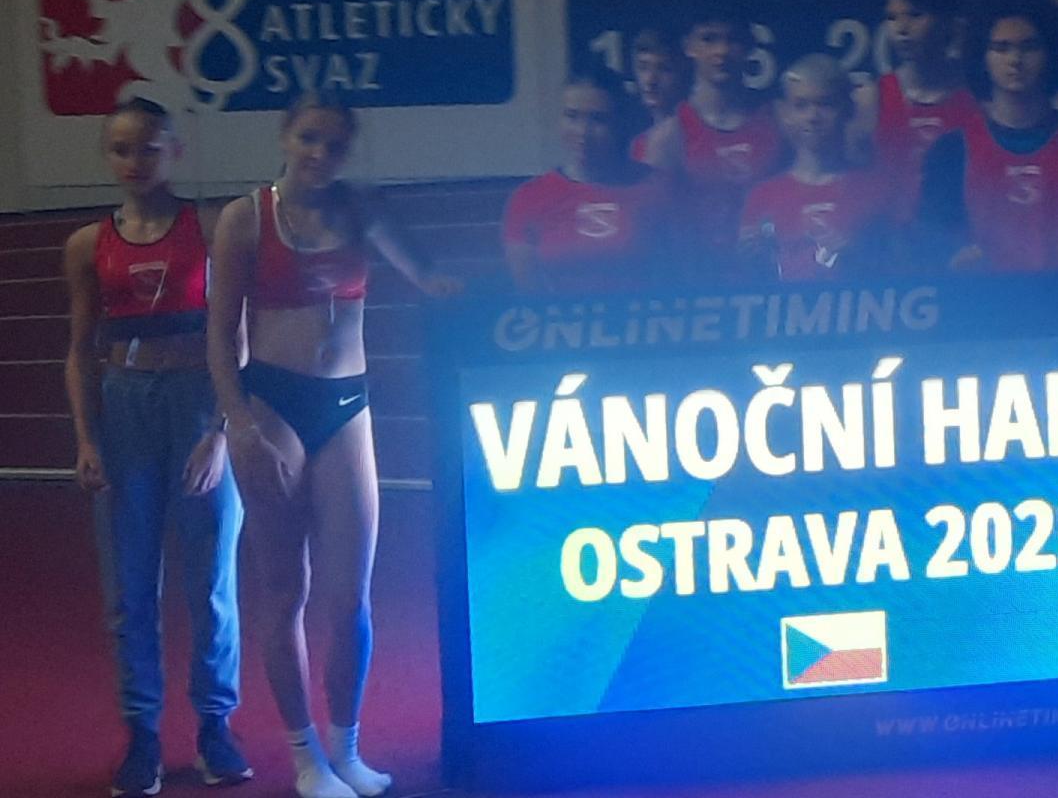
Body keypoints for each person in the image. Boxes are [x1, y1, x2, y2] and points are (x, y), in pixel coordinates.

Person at [208, 92, 461, 798]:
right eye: (309, 139)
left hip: (348, 407)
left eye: (336, 144)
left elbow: (424, 274)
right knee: (285, 589)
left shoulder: (362, 208)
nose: (321, 154)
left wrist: (457, 291)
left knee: (351, 598)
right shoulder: (245, 219)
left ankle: (347, 749)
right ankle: (305, 756)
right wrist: (238, 422)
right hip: (273, 406)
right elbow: (221, 332)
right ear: (285, 137)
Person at [64, 97, 251, 796]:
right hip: (124, 411)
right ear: (107, 156)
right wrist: (87, 438)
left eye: (148, 146)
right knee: (130, 586)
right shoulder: (87, 245)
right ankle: (142, 734)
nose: (134, 160)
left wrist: (221, 431)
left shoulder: (211, 228)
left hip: (199, 403)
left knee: (211, 580)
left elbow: (237, 337)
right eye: (121, 148)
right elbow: (80, 350)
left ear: (175, 150)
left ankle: (215, 725)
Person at [916, 0, 1058, 272]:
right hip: (981, 298)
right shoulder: (950, 151)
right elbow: (930, 242)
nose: (1015, 60)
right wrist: (953, 260)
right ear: (982, 58)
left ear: (1052, 54)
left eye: (1028, 47)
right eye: (1001, 48)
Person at [641, 11, 787, 278]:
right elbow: (657, 230)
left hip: (772, 282)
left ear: (749, 45)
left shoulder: (779, 120)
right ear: (689, 47)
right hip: (702, 284)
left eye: (732, 40)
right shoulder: (668, 138)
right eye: (709, 39)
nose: (721, 51)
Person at [505, 73, 672, 294]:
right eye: (572, 116)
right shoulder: (530, 198)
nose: (583, 132)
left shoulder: (656, 188)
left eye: (598, 119)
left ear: (619, 123)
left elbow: (678, 271)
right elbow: (528, 289)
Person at [740, 55, 893, 281]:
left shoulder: (875, 191)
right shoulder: (763, 196)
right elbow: (749, 281)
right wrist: (750, 259)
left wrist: (859, 258)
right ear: (785, 113)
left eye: (825, 104)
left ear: (847, 109)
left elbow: (898, 269)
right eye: (801, 105)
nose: (813, 117)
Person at [850, 0, 978, 220]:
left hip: (957, 232)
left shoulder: (976, 96)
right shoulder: (870, 99)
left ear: (946, 23)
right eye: (892, 18)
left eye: (915, 15)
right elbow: (852, 184)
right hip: (891, 237)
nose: (902, 29)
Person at [624, 29, 686, 164]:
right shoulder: (638, 144)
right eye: (643, 68)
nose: (650, 80)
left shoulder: (694, 132)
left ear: (680, 74)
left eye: (663, 69)